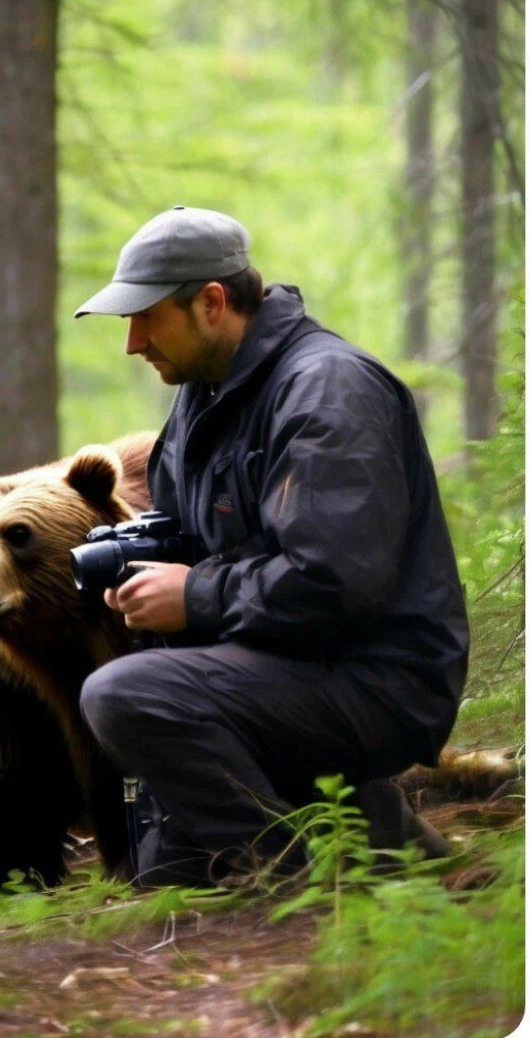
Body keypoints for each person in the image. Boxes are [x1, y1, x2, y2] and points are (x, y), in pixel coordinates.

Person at [73, 206, 469, 885]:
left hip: (381, 677)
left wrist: (193, 595)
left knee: (122, 694)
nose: (132, 343)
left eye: (145, 317)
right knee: (163, 874)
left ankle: (293, 879)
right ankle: (382, 837)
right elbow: (200, 538)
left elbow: (334, 582)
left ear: (212, 302)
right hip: (293, 664)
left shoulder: (327, 392)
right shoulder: (202, 399)